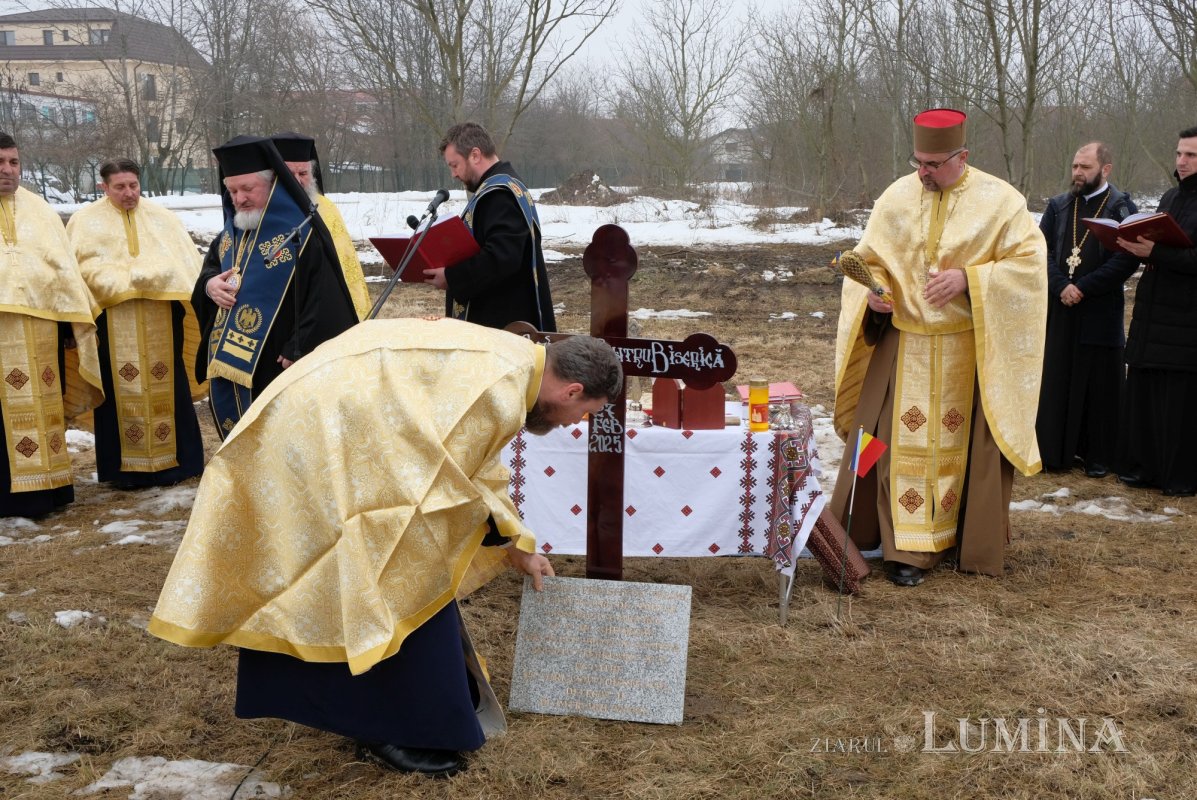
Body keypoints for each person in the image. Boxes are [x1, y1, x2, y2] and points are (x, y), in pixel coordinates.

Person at [149, 318, 623, 776]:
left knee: (374, 558)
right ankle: (386, 722)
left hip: (331, 422)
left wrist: (515, 541)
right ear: (572, 391)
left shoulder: (514, 361)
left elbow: (469, 470)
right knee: (396, 564)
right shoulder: (500, 388)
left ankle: (373, 707)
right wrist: (502, 534)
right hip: (316, 432)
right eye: (585, 413)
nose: (576, 422)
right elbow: (446, 485)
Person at [829, 108, 1047, 587]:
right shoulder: (896, 196)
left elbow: (1030, 268)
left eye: (932, 164)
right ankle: (867, 532)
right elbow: (869, 259)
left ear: (962, 156)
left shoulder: (1002, 202)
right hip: (902, 346)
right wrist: (874, 293)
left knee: (960, 449)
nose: (922, 173)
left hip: (966, 353)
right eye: (918, 162)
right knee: (877, 441)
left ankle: (933, 546)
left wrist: (969, 279)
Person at [192, 135, 358, 438]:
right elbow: (210, 271)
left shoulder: (303, 231)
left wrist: (301, 343)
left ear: (273, 184)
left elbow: (324, 298)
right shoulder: (231, 232)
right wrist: (209, 285)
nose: (239, 198)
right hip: (231, 362)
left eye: (247, 189)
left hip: (280, 362)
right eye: (232, 190)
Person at [67, 158, 206, 488]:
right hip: (111, 321)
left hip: (162, 316)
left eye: (133, 185)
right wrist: (120, 281)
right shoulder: (84, 221)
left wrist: (153, 277)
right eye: (120, 187)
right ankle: (125, 472)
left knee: (169, 384)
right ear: (104, 187)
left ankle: (179, 464)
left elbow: (185, 266)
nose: (129, 193)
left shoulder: (162, 218)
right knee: (118, 390)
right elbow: (77, 272)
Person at [0, 131, 104, 517]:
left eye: (13, 162)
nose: (7, 170)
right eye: (0, 163)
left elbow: (62, 270)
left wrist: (67, 324)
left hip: (41, 333)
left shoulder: (40, 210)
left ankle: (47, 490)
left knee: (45, 407)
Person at [1035, 142, 1138, 478]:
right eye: (1075, 166)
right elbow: (1040, 250)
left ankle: (1098, 456)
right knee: (1059, 377)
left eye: (1085, 168)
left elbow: (1127, 258)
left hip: (1099, 308)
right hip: (1061, 307)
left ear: (1105, 170)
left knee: (1099, 385)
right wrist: (1061, 285)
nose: (1077, 173)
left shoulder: (1122, 208)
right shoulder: (1059, 206)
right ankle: (1054, 451)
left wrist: (1084, 287)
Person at [1115, 126, 1197, 496]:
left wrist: (1156, 253)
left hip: (1186, 321)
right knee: (1147, 394)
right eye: (1179, 154)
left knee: (1179, 404)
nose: (1181, 162)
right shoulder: (1170, 195)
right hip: (1153, 315)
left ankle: (1177, 477)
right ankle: (1143, 468)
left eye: (1191, 156)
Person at [427, 122, 556, 332]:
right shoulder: (500, 187)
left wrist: (451, 277)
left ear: (475, 155)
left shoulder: (499, 194)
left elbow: (502, 257)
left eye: (454, 165)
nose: (453, 174)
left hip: (503, 323)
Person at [270, 131, 372, 320]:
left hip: (326, 305)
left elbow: (345, 262)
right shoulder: (263, 211)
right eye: (289, 173)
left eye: (303, 173)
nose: (298, 180)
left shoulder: (326, 208)